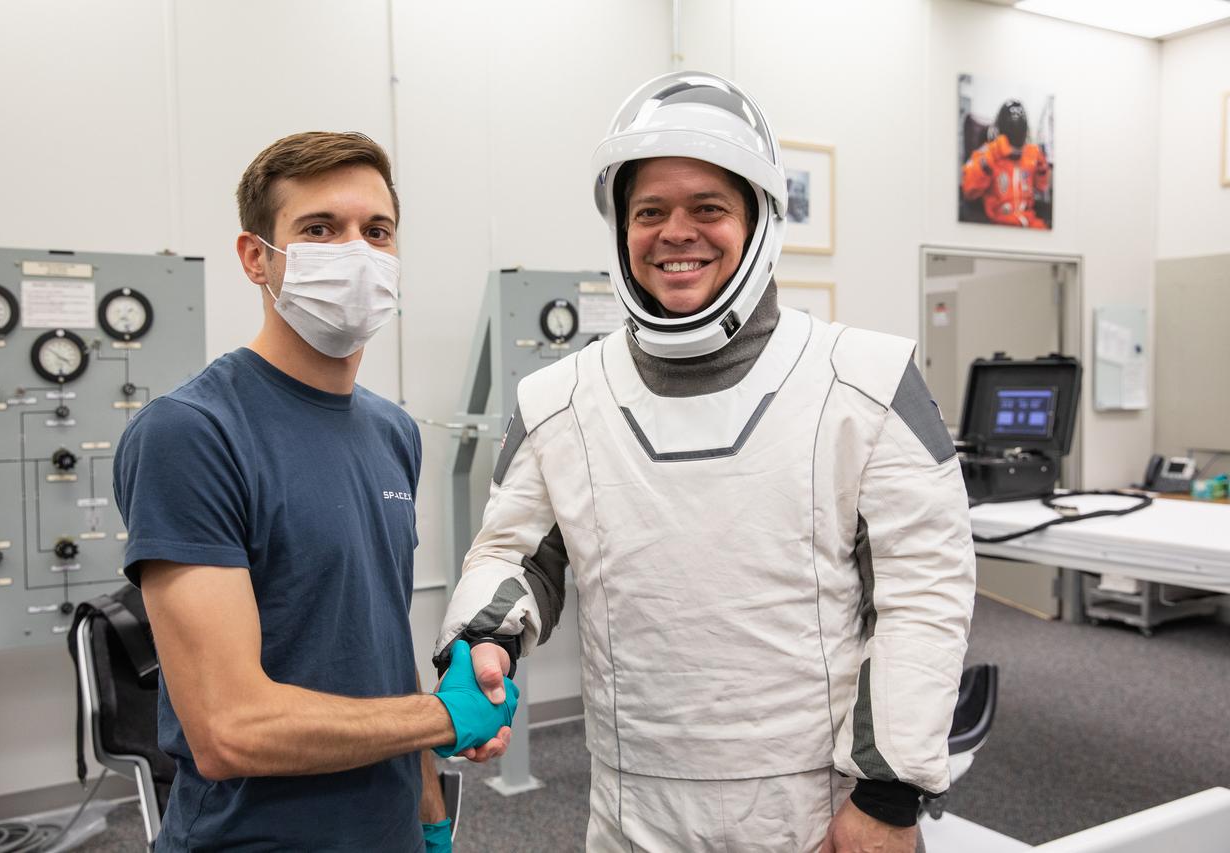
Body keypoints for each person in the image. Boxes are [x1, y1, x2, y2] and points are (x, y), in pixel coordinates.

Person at [434, 73, 976, 852]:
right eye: (648, 211)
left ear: (759, 221)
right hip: (630, 805)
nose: (674, 232)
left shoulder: (866, 381)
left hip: (820, 809)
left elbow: (924, 595)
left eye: (708, 208)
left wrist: (889, 797)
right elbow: (515, 553)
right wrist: (488, 639)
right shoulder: (560, 399)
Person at [114, 131, 517, 853]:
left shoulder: (393, 431)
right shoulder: (191, 433)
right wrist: (445, 716)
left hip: (387, 830)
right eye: (320, 229)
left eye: (378, 231)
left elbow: (380, 646)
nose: (356, 252)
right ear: (255, 257)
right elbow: (230, 728)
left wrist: (428, 811)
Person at [961, 99, 1051, 228]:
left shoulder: (1031, 154)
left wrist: (1042, 169)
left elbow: (1041, 187)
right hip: (1000, 223)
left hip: (1029, 220)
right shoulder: (987, 153)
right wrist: (989, 160)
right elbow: (968, 191)